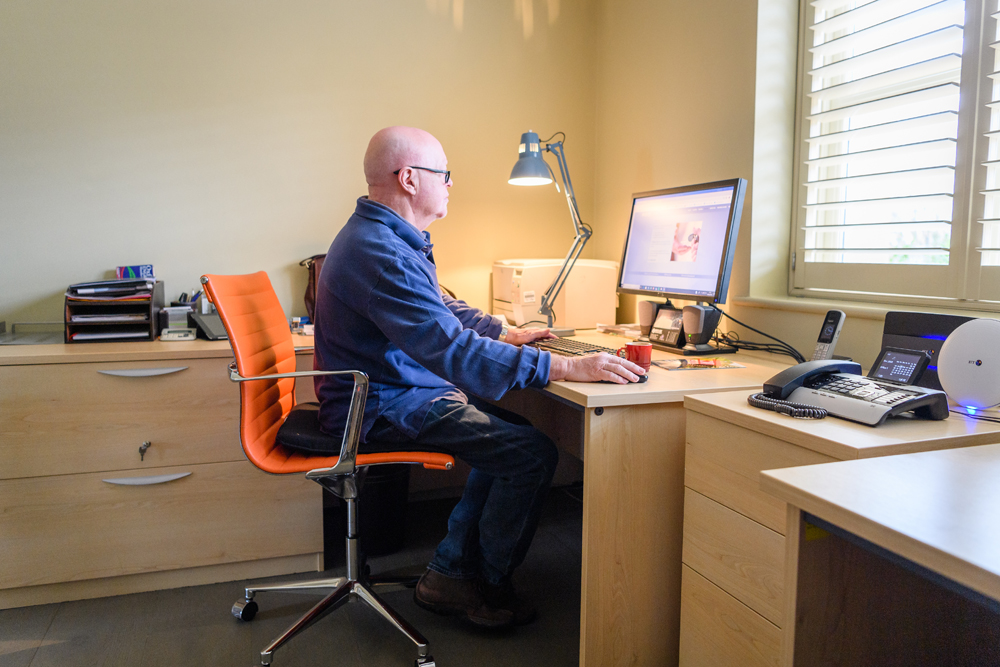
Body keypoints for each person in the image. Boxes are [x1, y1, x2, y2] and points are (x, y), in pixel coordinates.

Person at [311, 126, 645, 629]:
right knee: (530, 455)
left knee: (518, 441)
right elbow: (451, 349)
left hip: (400, 389)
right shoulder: (378, 251)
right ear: (407, 178)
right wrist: (569, 366)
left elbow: (444, 310)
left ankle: (452, 567)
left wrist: (503, 332)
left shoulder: (390, 236)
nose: (450, 184)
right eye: (443, 174)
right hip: (381, 404)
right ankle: (478, 583)